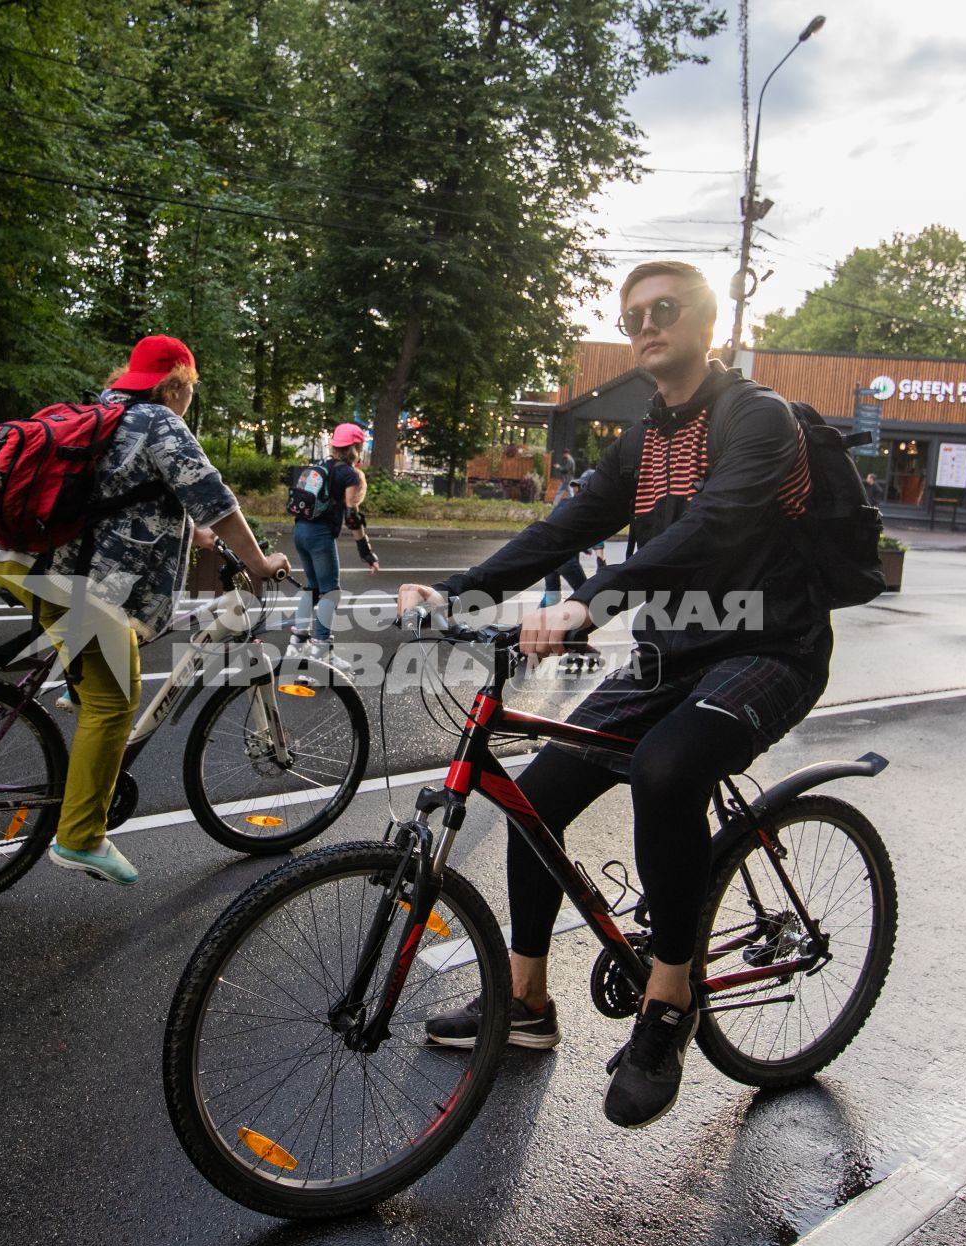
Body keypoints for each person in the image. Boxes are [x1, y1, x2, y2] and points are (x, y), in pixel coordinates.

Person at [399, 260, 830, 1129]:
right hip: (670, 655)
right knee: (537, 796)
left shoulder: (758, 418)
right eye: (632, 314)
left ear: (704, 325)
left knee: (667, 773)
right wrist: (459, 594)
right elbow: (564, 526)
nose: (646, 325)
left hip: (770, 648)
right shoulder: (643, 440)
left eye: (664, 310)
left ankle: (670, 999)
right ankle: (525, 1003)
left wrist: (588, 605)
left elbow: (716, 527)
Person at [0, 334, 288, 886]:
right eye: (189, 391)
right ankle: (79, 838)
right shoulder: (159, 421)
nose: (188, 401)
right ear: (176, 385)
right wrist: (260, 561)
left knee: (101, 662)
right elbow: (217, 499)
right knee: (116, 700)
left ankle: (76, 689)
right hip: (71, 581)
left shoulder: (100, 411)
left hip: (20, 561)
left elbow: (116, 497)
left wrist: (189, 534)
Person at [286, 422, 369, 658]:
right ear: (356, 447)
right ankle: (321, 651)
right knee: (330, 592)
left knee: (312, 588)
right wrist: (365, 550)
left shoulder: (320, 465)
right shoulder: (348, 474)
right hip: (319, 535)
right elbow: (352, 516)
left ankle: (297, 644)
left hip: (300, 530)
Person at [538, 475, 589, 607]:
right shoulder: (584, 509)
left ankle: (531, 625)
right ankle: (574, 625)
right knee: (586, 595)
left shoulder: (564, 503)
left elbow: (553, 524)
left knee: (552, 596)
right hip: (564, 558)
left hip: (547, 555)